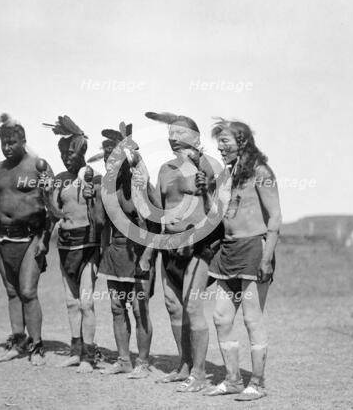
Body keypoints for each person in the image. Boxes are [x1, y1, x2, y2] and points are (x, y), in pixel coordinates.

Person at [139, 112, 222, 392]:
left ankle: (198, 373)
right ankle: (184, 365)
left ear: (197, 139)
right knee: (174, 308)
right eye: (170, 133)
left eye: (180, 133)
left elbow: (218, 207)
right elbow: (159, 214)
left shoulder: (210, 165)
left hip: (198, 247)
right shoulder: (164, 169)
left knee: (193, 307)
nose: (172, 137)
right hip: (169, 247)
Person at [201, 119, 281, 401]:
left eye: (225, 141)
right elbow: (216, 216)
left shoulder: (261, 172)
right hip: (229, 250)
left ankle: (257, 383)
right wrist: (205, 191)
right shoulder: (226, 175)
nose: (220, 148)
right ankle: (233, 379)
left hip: (254, 250)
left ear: (242, 142)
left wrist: (267, 258)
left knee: (251, 319)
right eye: (218, 142)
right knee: (221, 317)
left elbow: (275, 217)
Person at [0, 114, 53, 366]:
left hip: (31, 237)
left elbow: (51, 206)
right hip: (3, 238)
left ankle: (37, 345)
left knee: (28, 292)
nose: (7, 147)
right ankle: (19, 341)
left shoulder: (37, 166)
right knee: (12, 292)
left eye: (12, 142)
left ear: (23, 141)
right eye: (4, 143)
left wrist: (45, 240)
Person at [41, 115, 105, 373]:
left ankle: (89, 356)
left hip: (87, 244)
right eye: (63, 153)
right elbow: (57, 215)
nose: (67, 157)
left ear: (82, 152)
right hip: (65, 244)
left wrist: (91, 195)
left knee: (87, 302)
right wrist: (46, 195)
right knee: (71, 302)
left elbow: (100, 217)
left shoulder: (94, 178)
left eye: (71, 153)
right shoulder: (58, 178)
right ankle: (75, 351)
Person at [96, 123, 155, 379]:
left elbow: (156, 226)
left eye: (115, 158)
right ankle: (124, 359)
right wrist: (93, 197)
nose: (110, 164)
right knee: (117, 308)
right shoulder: (107, 189)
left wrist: (147, 257)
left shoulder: (139, 183)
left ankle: (142, 362)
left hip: (138, 253)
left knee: (139, 309)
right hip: (115, 252)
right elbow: (100, 223)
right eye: (107, 159)